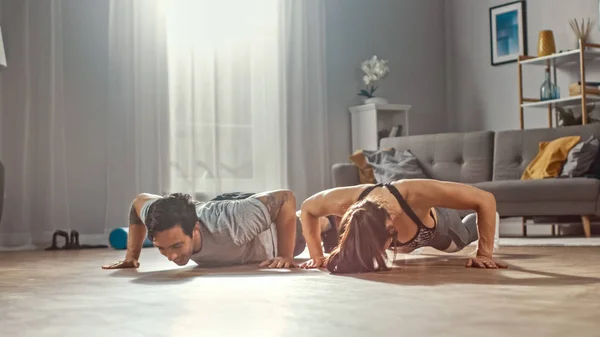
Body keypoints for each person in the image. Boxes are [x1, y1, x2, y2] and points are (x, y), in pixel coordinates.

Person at [297, 179, 507, 274]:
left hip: (439, 230)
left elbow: (485, 199)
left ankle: (486, 221)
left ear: (390, 227)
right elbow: (307, 208)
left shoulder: (414, 194)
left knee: (462, 238)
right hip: (410, 236)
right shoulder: (347, 202)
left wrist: (484, 254)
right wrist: (316, 255)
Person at [101, 190, 335, 270]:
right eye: (162, 249)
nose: (171, 257)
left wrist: (285, 255)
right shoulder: (155, 213)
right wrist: (132, 256)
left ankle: (327, 221)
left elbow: (285, 196)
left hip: (269, 234)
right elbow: (138, 201)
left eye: (176, 246)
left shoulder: (232, 224)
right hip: (225, 205)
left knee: (302, 230)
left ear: (194, 229)